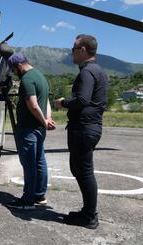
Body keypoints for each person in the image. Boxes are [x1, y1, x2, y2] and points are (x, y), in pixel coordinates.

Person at [54, 34, 108, 229]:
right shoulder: (97, 71)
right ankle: (87, 212)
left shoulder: (87, 72)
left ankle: (89, 216)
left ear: (83, 50)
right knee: (79, 169)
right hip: (89, 127)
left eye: (73, 49)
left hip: (84, 129)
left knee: (84, 172)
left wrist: (63, 103)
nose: (71, 53)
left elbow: (83, 100)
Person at [4, 53, 55, 211]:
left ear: (19, 66)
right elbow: (45, 100)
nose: (14, 74)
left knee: (29, 164)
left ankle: (28, 199)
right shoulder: (40, 76)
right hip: (39, 129)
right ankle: (39, 195)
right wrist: (47, 119)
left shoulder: (26, 79)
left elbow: (33, 105)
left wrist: (43, 120)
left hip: (28, 129)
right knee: (40, 161)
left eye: (13, 70)